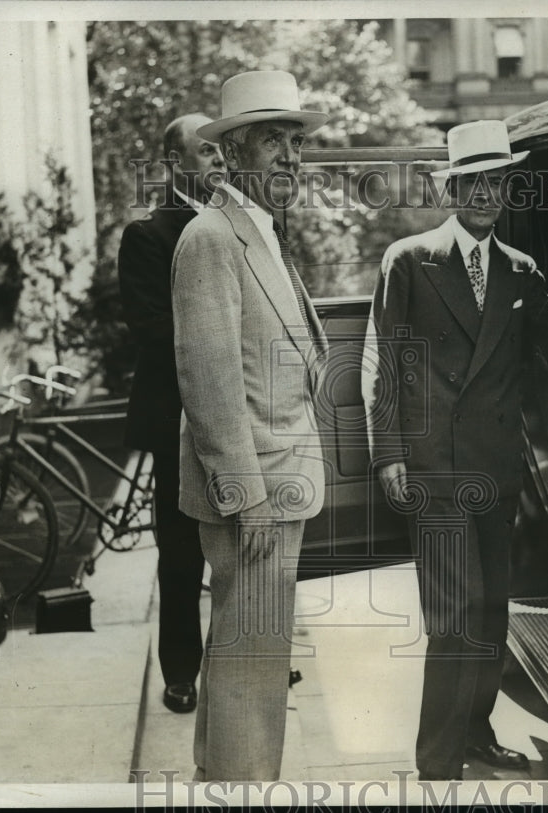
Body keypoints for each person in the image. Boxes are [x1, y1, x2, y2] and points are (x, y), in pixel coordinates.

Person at [362, 120, 548, 781]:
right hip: (433, 468)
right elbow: (386, 364)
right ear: (451, 189)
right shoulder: (409, 261)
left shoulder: (521, 272)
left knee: (491, 610)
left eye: (497, 182)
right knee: (454, 616)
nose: (486, 194)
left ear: (506, 190)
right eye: (473, 182)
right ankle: (437, 762)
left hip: (495, 468)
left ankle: (478, 732)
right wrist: (389, 453)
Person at [172, 70, 329, 781]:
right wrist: (249, 495)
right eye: (275, 141)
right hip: (255, 497)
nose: (291, 158)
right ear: (233, 151)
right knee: (249, 671)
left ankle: (229, 783)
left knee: (248, 666)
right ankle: (241, 788)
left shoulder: (255, 230)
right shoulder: (211, 237)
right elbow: (208, 383)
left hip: (276, 488)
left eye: (296, 142)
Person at [118, 114, 224, 714]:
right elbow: (153, 329)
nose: (218, 161)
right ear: (173, 162)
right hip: (178, 419)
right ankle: (182, 671)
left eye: (222, 151)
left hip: (242, 412)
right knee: (182, 551)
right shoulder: (149, 235)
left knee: (244, 543)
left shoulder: (242, 224)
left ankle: (244, 660)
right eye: (206, 151)